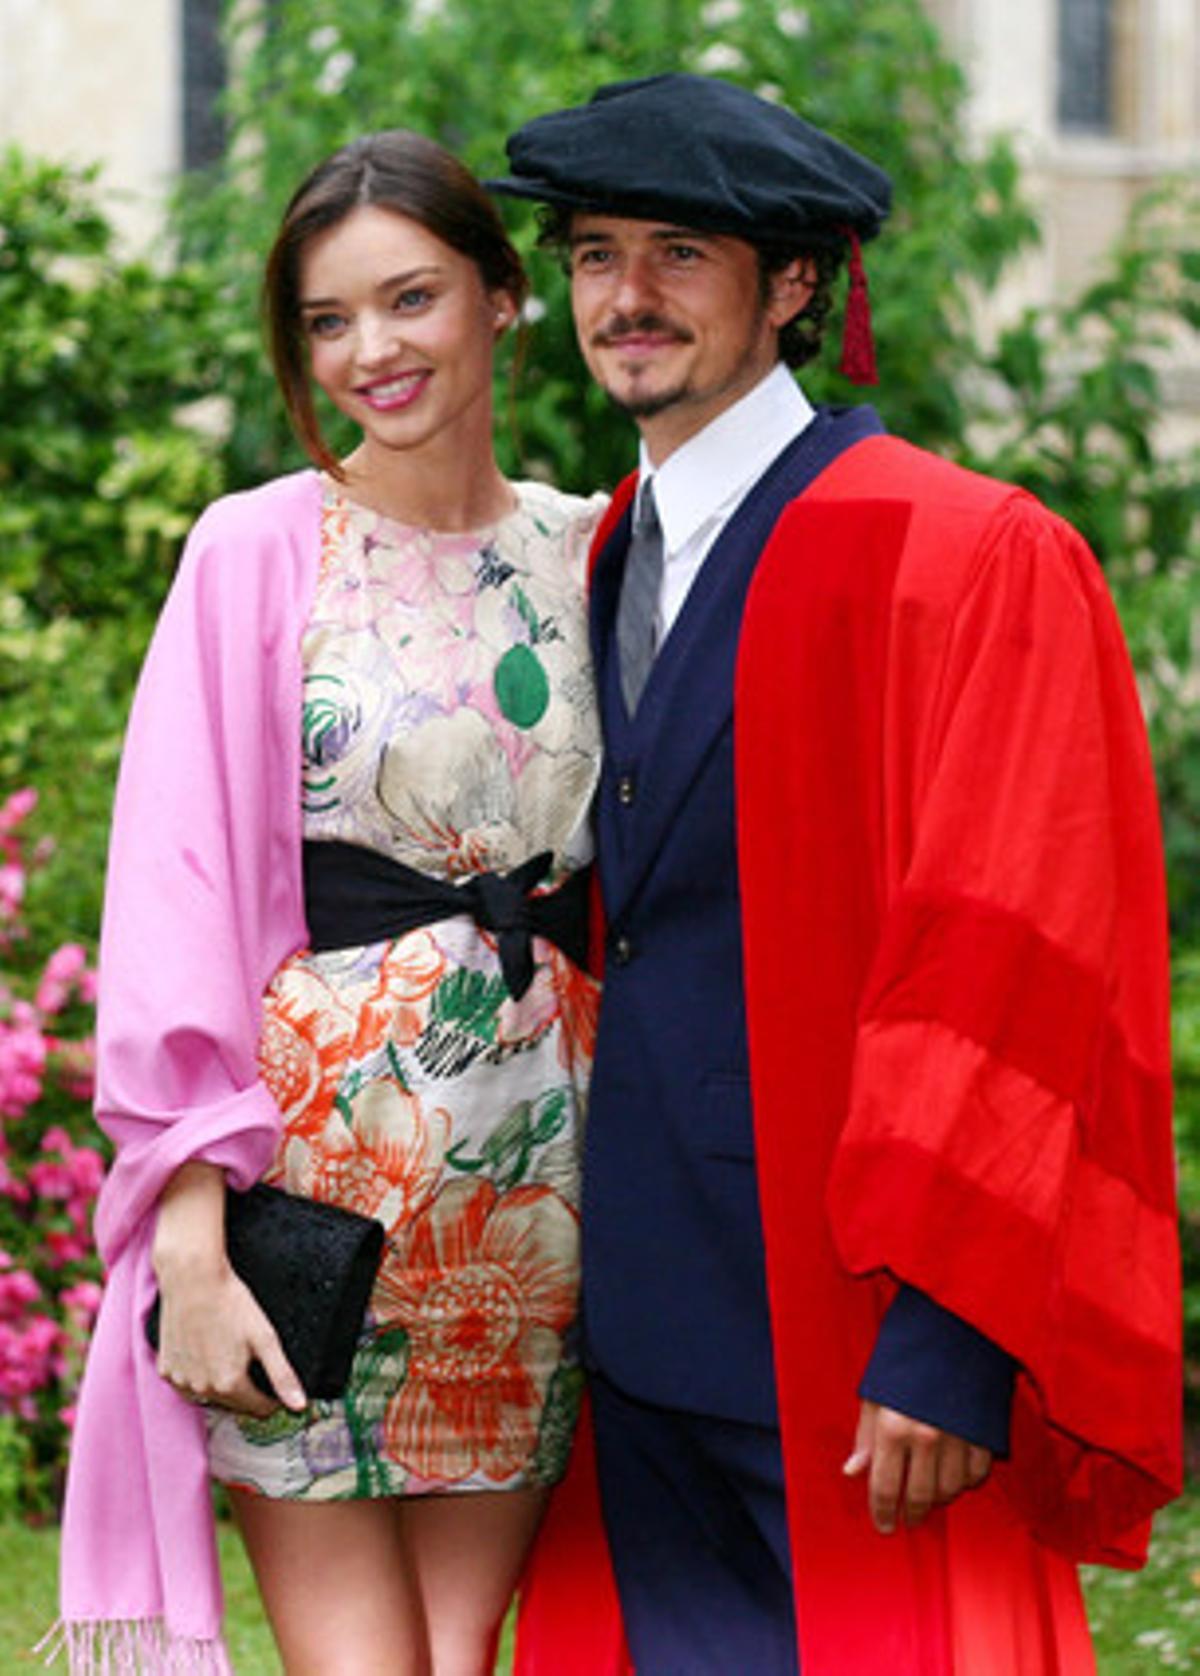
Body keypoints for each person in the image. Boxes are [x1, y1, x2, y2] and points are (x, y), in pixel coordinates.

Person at [487, 73, 1184, 1675]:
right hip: (638, 1317)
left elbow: (1018, 955)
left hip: (847, 1321)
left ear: (797, 284)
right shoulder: (607, 553)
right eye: (596, 256)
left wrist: (950, 1334)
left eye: (680, 253)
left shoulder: (963, 556)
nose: (627, 299)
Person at [53, 130, 605, 1676]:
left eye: (410, 298)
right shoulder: (256, 548)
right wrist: (187, 1239)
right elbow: (173, 888)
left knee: (454, 1648)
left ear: (501, 299)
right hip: (313, 1210)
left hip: (534, 1207)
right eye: (327, 319)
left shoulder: (589, 552)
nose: (372, 349)